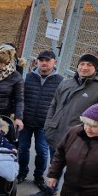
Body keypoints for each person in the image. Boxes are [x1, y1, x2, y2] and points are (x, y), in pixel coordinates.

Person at [40, 53, 98, 196]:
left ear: (95, 68)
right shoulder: (66, 83)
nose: (84, 68)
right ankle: (50, 191)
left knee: (76, 172)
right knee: (55, 163)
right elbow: (54, 105)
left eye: (89, 65)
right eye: (82, 64)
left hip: (82, 138)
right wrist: (49, 125)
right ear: (77, 66)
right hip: (57, 132)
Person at [18, 50, 62, 188]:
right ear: (37, 61)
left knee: (42, 151)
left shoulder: (60, 81)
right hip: (26, 121)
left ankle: (38, 176)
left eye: (47, 60)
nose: (43, 63)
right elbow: (21, 98)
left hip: (45, 124)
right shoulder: (28, 77)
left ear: (54, 62)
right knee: (23, 148)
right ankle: (22, 172)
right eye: (41, 60)